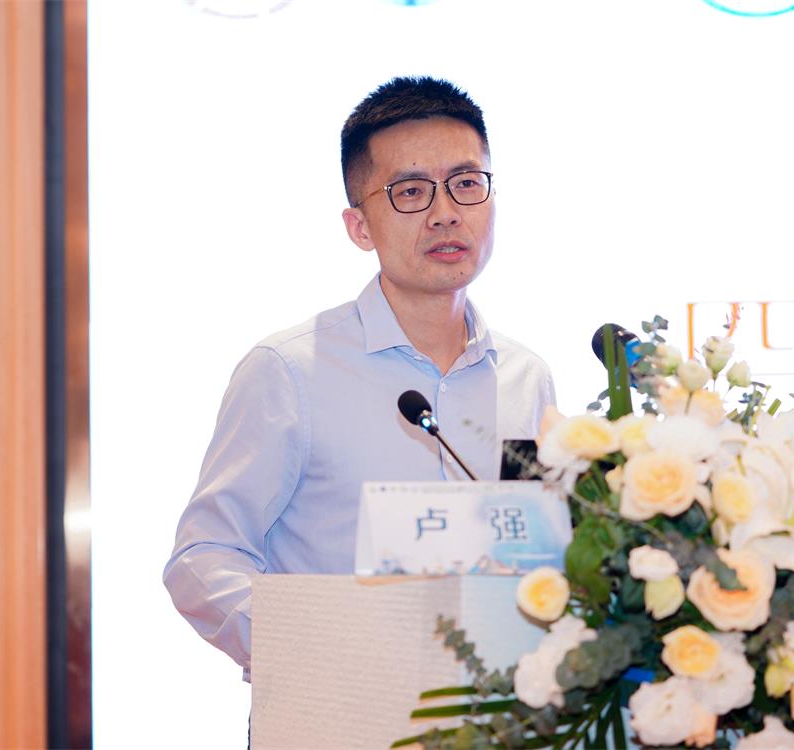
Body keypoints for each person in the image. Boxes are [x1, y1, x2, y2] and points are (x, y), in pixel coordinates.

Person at [163, 76, 556, 680]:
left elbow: (532, 554)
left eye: (466, 183)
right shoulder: (290, 370)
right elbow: (203, 557)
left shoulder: (526, 378)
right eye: (411, 191)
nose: (445, 213)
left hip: (496, 712)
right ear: (359, 227)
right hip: (338, 708)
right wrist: (317, 650)